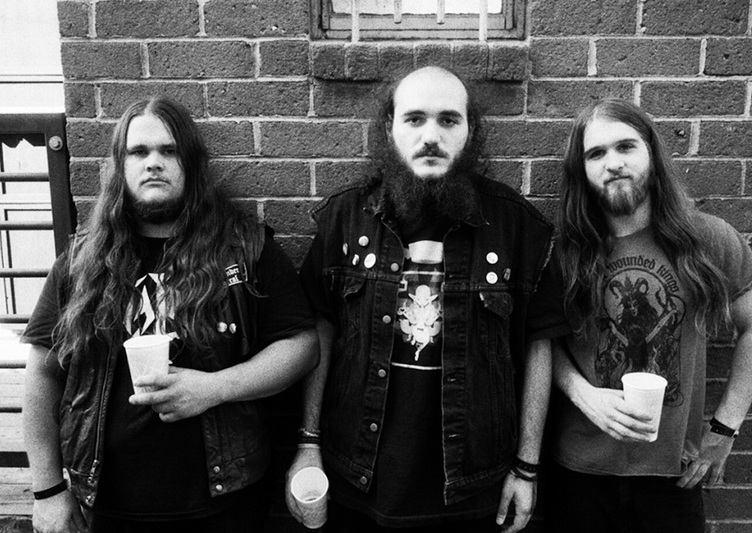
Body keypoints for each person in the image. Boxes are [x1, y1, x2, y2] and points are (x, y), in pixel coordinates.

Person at [284, 65, 569, 533]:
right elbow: (321, 330)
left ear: (471, 132)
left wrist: (526, 468)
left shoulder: (517, 227)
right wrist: (308, 443)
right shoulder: (345, 218)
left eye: (448, 120)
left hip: (473, 485)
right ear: (389, 128)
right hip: (357, 475)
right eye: (414, 119)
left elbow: (539, 346)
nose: (431, 136)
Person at [22, 97, 319, 533]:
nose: (153, 163)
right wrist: (48, 490)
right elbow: (43, 372)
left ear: (191, 162)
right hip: (109, 505)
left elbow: (301, 345)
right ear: (120, 166)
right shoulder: (83, 260)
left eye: (169, 150)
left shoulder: (244, 248)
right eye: (138, 152)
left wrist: (215, 388)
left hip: (226, 502)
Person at [542, 98, 752, 532]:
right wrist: (583, 394)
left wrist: (725, 428)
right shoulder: (566, 250)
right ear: (582, 170)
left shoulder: (707, 238)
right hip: (578, 472)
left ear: (651, 153)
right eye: (596, 154)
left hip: (673, 475)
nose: (613, 163)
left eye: (625, 146)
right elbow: (543, 341)